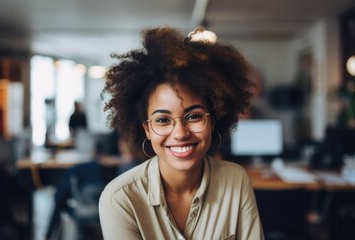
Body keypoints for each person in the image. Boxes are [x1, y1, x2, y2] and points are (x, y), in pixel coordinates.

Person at [99, 26, 264, 239]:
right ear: (147, 129)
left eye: (194, 116)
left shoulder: (236, 180)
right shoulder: (120, 198)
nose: (180, 133)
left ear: (212, 121)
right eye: (163, 120)